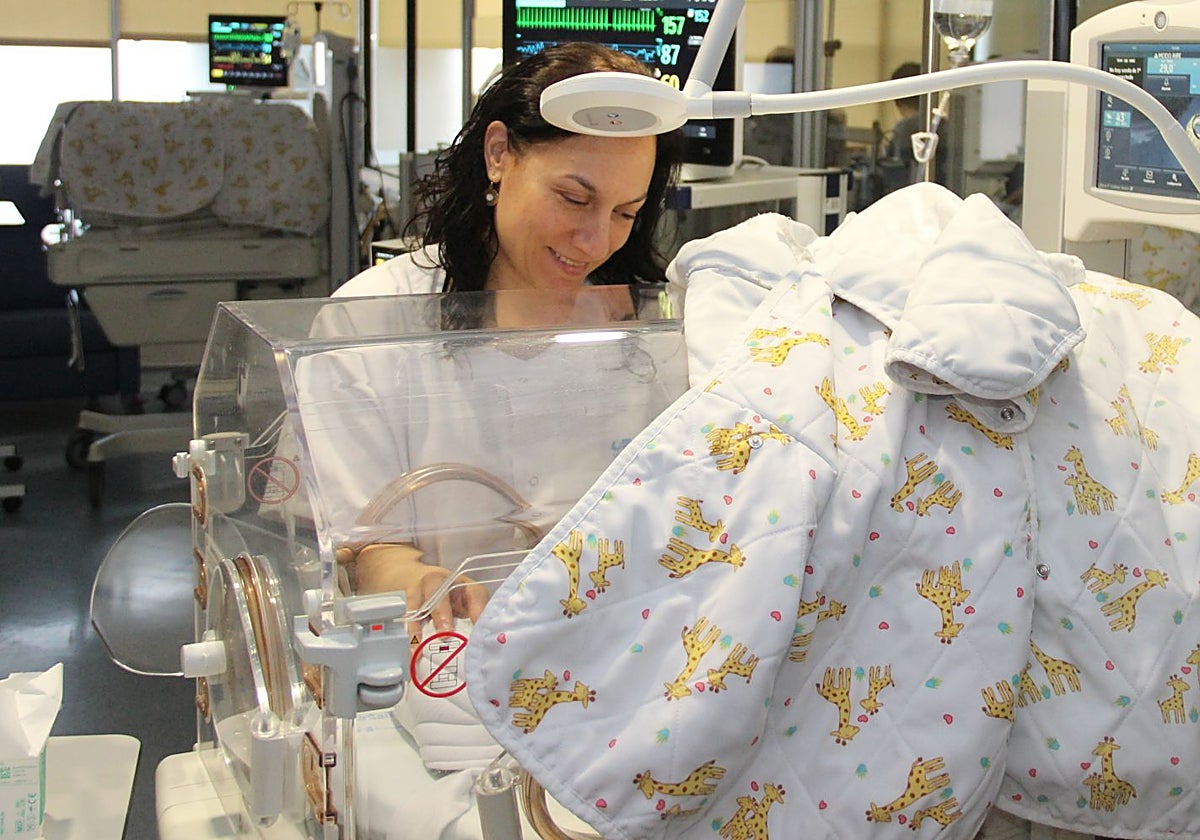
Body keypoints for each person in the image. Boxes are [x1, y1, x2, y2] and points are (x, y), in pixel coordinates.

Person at [327, 42, 685, 632]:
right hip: (445, 662)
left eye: (626, 213)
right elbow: (362, 549)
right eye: (573, 198)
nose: (594, 241)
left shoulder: (647, 330)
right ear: (499, 155)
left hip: (615, 652)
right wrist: (423, 584)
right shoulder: (369, 322)